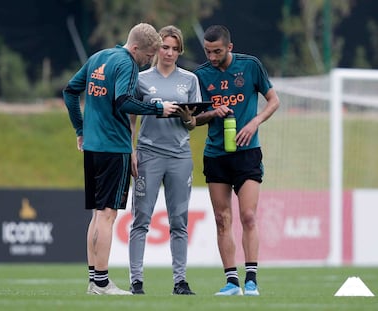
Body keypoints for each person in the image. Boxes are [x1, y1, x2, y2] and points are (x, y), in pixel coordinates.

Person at [63, 23, 179, 296]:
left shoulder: (99, 58)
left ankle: (94, 280)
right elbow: (124, 101)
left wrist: (81, 130)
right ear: (136, 48)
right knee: (107, 215)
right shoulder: (126, 63)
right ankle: (103, 283)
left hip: (92, 147)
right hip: (114, 148)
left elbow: (69, 91)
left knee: (97, 215)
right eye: (149, 55)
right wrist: (158, 108)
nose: (148, 61)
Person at [194, 25, 280, 296]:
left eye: (217, 51)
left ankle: (251, 280)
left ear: (229, 47)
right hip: (216, 154)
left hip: (247, 153)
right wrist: (212, 113)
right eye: (208, 52)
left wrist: (254, 122)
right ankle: (232, 282)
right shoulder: (200, 75)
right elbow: (192, 120)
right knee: (222, 218)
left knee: (249, 216)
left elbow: (273, 101)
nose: (212, 56)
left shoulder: (251, 66)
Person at [128, 25, 200, 295]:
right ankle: (136, 281)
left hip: (180, 155)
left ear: (180, 51)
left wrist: (187, 118)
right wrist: (131, 149)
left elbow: (192, 123)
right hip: (149, 154)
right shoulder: (141, 78)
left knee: (179, 220)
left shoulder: (190, 80)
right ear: (156, 48)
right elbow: (131, 116)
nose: (169, 53)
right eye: (164, 47)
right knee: (141, 219)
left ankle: (180, 281)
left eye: (174, 48)